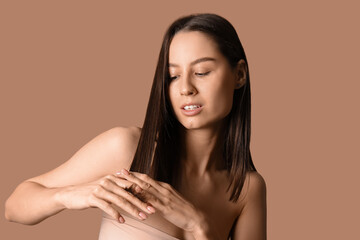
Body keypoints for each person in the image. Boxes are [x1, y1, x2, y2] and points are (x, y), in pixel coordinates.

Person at [5, 13, 267, 239]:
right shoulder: (129, 149)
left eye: (201, 72)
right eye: (172, 76)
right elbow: (14, 206)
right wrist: (69, 195)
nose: (186, 88)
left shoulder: (246, 189)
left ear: (239, 74)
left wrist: (199, 226)